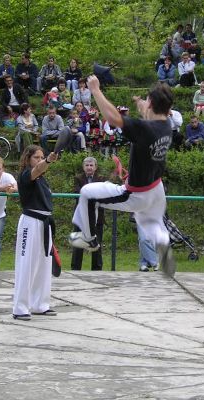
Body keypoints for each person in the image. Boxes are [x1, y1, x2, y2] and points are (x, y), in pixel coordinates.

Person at [68, 76, 176, 276]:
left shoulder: (143, 129)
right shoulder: (166, 126)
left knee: (87, 194)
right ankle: (164, 246)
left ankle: (90, 240)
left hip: (136, 193)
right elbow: (150, 120)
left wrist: (95, 89)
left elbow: (112, 118)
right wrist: (143, 106)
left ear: (151, 104)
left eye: (147, 101)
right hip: (156, 189)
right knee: (150, 223)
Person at [13, 145, 58, 320]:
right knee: (26, 264)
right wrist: (47, 161)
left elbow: (40, 170)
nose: (39, 160)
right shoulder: (26, 175)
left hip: (44, 223)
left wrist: (45, 162)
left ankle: (40, 304)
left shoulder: (42, 180)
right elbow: (38, 169)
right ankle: (20, 307)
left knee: (44, 264)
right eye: (36, 157)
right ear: (28, 159)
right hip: (30, 222)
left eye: (41, 157)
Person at [71, 157, 105, 271]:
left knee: (97, 243)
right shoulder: (78, 178)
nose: (89, 167)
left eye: (91, 165)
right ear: (83, 167)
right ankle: (75, 268)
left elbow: (102, 194)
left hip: (97, 216)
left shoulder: (101, 179)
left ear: (95, 167)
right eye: (87, 165)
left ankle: (97, 269)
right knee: (78, 243)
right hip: (81, 216)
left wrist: (89, 195)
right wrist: (92, 195)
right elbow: (77, 192)